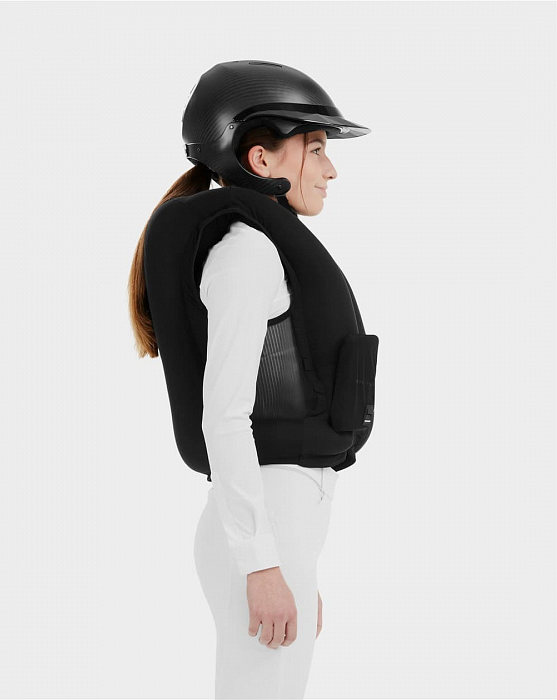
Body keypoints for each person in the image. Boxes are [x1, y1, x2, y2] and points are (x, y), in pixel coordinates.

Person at [128, 60, 374, 699]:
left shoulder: (264, 247)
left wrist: (294, 561)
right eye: (315, 149)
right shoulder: (248, 252)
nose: (330, 169)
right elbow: (224, 414)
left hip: (278, 524)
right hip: (264, 523)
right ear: (261, 160)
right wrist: (263, 563)